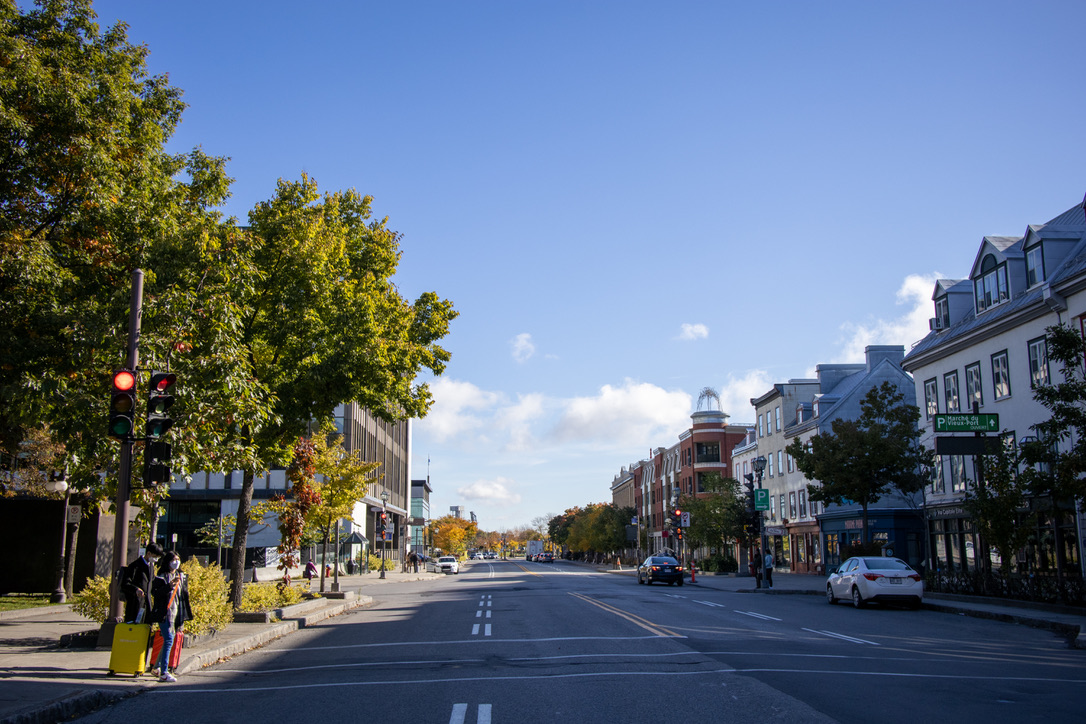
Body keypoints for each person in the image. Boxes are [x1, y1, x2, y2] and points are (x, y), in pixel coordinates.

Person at [148, 551, 192, 683]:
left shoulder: (180, 576)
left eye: (178, 559)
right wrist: (169, 586)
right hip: (165, 613)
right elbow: (155, 593)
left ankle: (157, 667)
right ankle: (164, 671)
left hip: (176, 612)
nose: (176, 562)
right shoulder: (162, 577)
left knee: (170, 639)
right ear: (167, 562)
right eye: (174, 559)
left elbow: (183, 597)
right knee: (168, 639)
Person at [121, 542, 164, 623]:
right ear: (148, 553)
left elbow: (153, 582)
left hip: (147, 604)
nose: (156, 559)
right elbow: (125, 584)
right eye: (155, 557)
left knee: (146, 627)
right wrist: (136, 589)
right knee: (135, 627)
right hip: (135, 604)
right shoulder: (135, 566)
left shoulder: (150, 566)